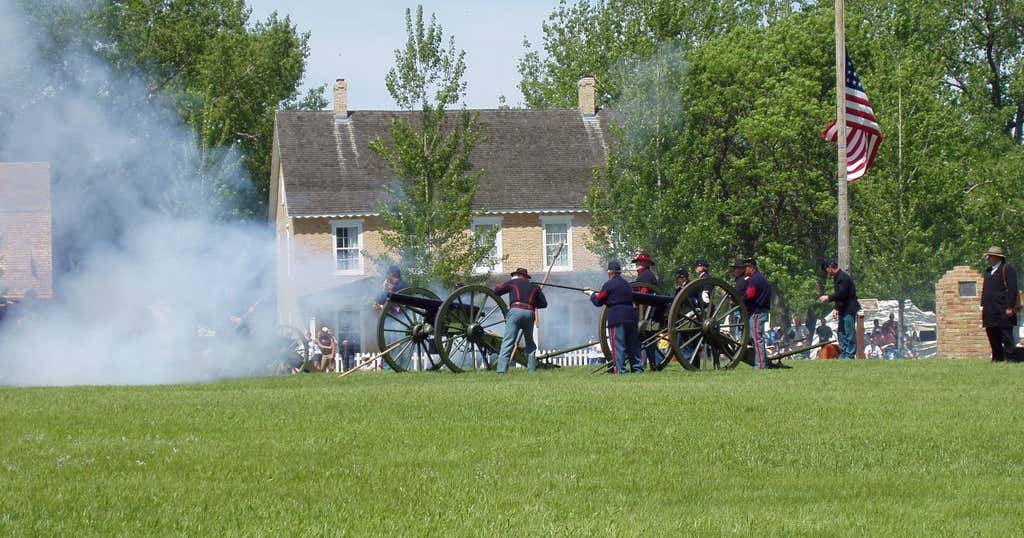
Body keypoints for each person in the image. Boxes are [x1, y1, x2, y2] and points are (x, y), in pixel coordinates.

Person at [585, 260, 641, 374]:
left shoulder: (608, 285)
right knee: (632, 345)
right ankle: (637, 369)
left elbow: (598, 301)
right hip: (631, 316)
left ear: (610, 272)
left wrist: (591, 294)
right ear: (619, 272)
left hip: (617, 317)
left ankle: (620, 370)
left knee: (618, 346)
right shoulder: (627, 284)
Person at [493, 267, 548, 373]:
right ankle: (531, 370)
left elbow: (497, 291)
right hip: (529, 313)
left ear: (517, 275)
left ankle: (501, 370)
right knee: (530, 342)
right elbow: (543, 304)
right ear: (526, 277)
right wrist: (532, 302)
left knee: (508, 342)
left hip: (515, 312)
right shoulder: (535, 287)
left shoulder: (513, 283)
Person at [981, 246, 1019, 362]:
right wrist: (982, 305)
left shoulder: (1007, 269)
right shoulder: (988, 271)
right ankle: (997, 358)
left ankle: (1011, 358)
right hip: (990, 310)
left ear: (997, 257)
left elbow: (1013, 289)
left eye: (990, 256)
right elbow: (985, 289)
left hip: (1003, 308)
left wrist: (1010, 307)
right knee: (992, 334)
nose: (988, 258)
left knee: (1006, 335)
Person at [818, 259, 861, 359]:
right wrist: (836, 308)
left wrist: (828, 297)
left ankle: (850, 355)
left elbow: (842, 294)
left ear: (830, 268)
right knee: (841, 332)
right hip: (842, 309)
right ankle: (844, 353)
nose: (826, 273)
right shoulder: (837, 278)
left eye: (826, 270)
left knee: (849, 333)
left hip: (849, 309)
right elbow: (839, 297)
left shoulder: (843, 278)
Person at [631, 253, 660, 369]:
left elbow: (643, 294)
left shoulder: (646, 276)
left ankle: (644, 365)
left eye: (640, 262)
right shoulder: (643, 275)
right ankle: (654, 364)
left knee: (646, 340)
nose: (637, 264)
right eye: (637, 262)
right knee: (649, 341)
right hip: (646, 312)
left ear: (646, 264)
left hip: (647, 313)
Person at [742, 258, 772, 369]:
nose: (744, 269)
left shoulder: (754, 280)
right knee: (757, 339)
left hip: (757, 312)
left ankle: (760, 366)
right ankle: (762, 363)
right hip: (761, 311)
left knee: (757, 340)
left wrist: (739, 299)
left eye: (746, 267)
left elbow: (749, 295)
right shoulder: (760, 278)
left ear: (752, 267)